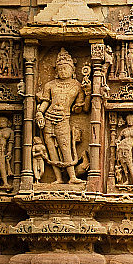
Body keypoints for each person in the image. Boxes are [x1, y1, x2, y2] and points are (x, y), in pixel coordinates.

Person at [35, 48, 89, 184]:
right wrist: (40, 113)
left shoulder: (77, 86)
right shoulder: (50, 85)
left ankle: (72, 177)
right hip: (48, 118)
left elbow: (82, 108)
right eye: (60, 69)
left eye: (66, 68)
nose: (63, 71)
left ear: (72, 70)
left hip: (63, 118)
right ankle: (58, 178)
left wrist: (87, 94)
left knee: (66, 148)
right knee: (51, 149)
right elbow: (45, 102)